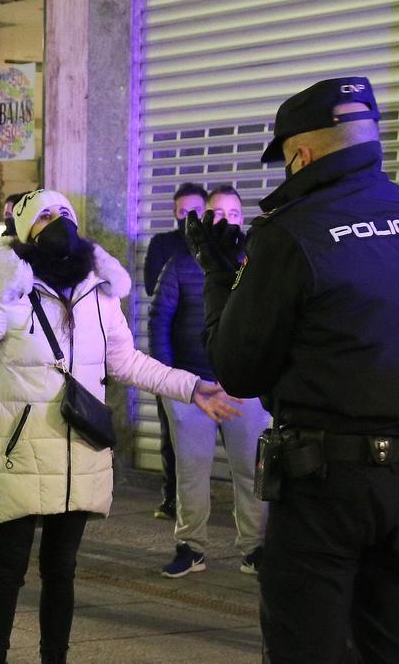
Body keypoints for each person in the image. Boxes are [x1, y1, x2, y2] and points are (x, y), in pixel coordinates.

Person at [0, 189, 240, 664]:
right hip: (21, 451)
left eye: (64, 213)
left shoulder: (99, 292)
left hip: (81, 451)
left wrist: (191, 387)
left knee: (62, 570)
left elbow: (127, 362)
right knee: (10, 568)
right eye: (44, 216)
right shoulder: (9, 293)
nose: (58, 221)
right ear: (25, 231)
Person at [186, 76, 399, 663]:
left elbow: (237, 368)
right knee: (398, 650)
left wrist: (219, 277)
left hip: (324, 490)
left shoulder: (291, 234)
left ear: (303, 155)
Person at [149, 183, 270, 579]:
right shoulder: (181, 264)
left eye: (233, 214)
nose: (225, 221)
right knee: (191, 471)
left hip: (245, 387)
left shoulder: (258, 263)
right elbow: (159, 322)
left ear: (243, 219)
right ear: (203, 218)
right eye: (216, 213)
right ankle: (190, 547)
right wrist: (171, 382)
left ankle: (255, 549)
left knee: (252, 471)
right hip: (191, 386)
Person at [142, 183, 203, 520]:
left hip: (209, 359)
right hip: (173, 355)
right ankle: (171, 496)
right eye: (182, 213)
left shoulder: (217, 242)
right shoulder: (164, 244)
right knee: (171, 432)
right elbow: (153, 284)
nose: (188, 219)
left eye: (195, 212)